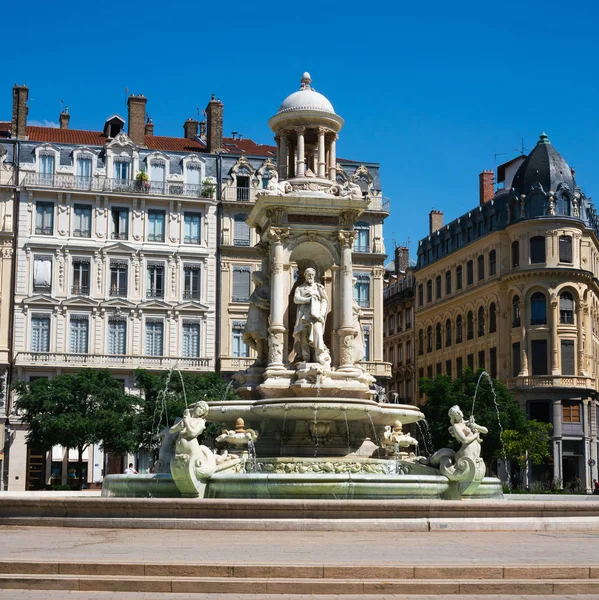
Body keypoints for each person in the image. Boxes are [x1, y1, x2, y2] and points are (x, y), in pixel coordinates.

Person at [292, 267, 330, 366]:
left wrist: (321, 313)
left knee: (318, 335)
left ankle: (319, 356)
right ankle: (306, 358)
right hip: (303, 315)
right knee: (304, 337)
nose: (311, 276)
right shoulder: (299, 288)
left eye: (312, 274)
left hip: (316, 315)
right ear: (304, 275)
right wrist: (308, 300)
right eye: (308, 274)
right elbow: (296, 299)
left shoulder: (319, 287)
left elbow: (324, 300)